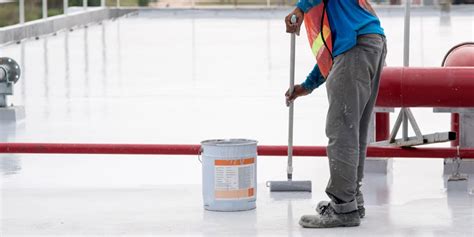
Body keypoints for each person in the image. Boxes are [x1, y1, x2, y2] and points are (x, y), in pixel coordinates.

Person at [284, 0, 387, 228]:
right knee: (355, 130)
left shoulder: (311, 6)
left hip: (357, 47)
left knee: (341, 130)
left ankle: (343, 207)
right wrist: (307, 85)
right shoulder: (328, 9)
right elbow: (331, 53)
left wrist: (300, 8)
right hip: (367, 44)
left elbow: (342, 51)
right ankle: (352, 199)